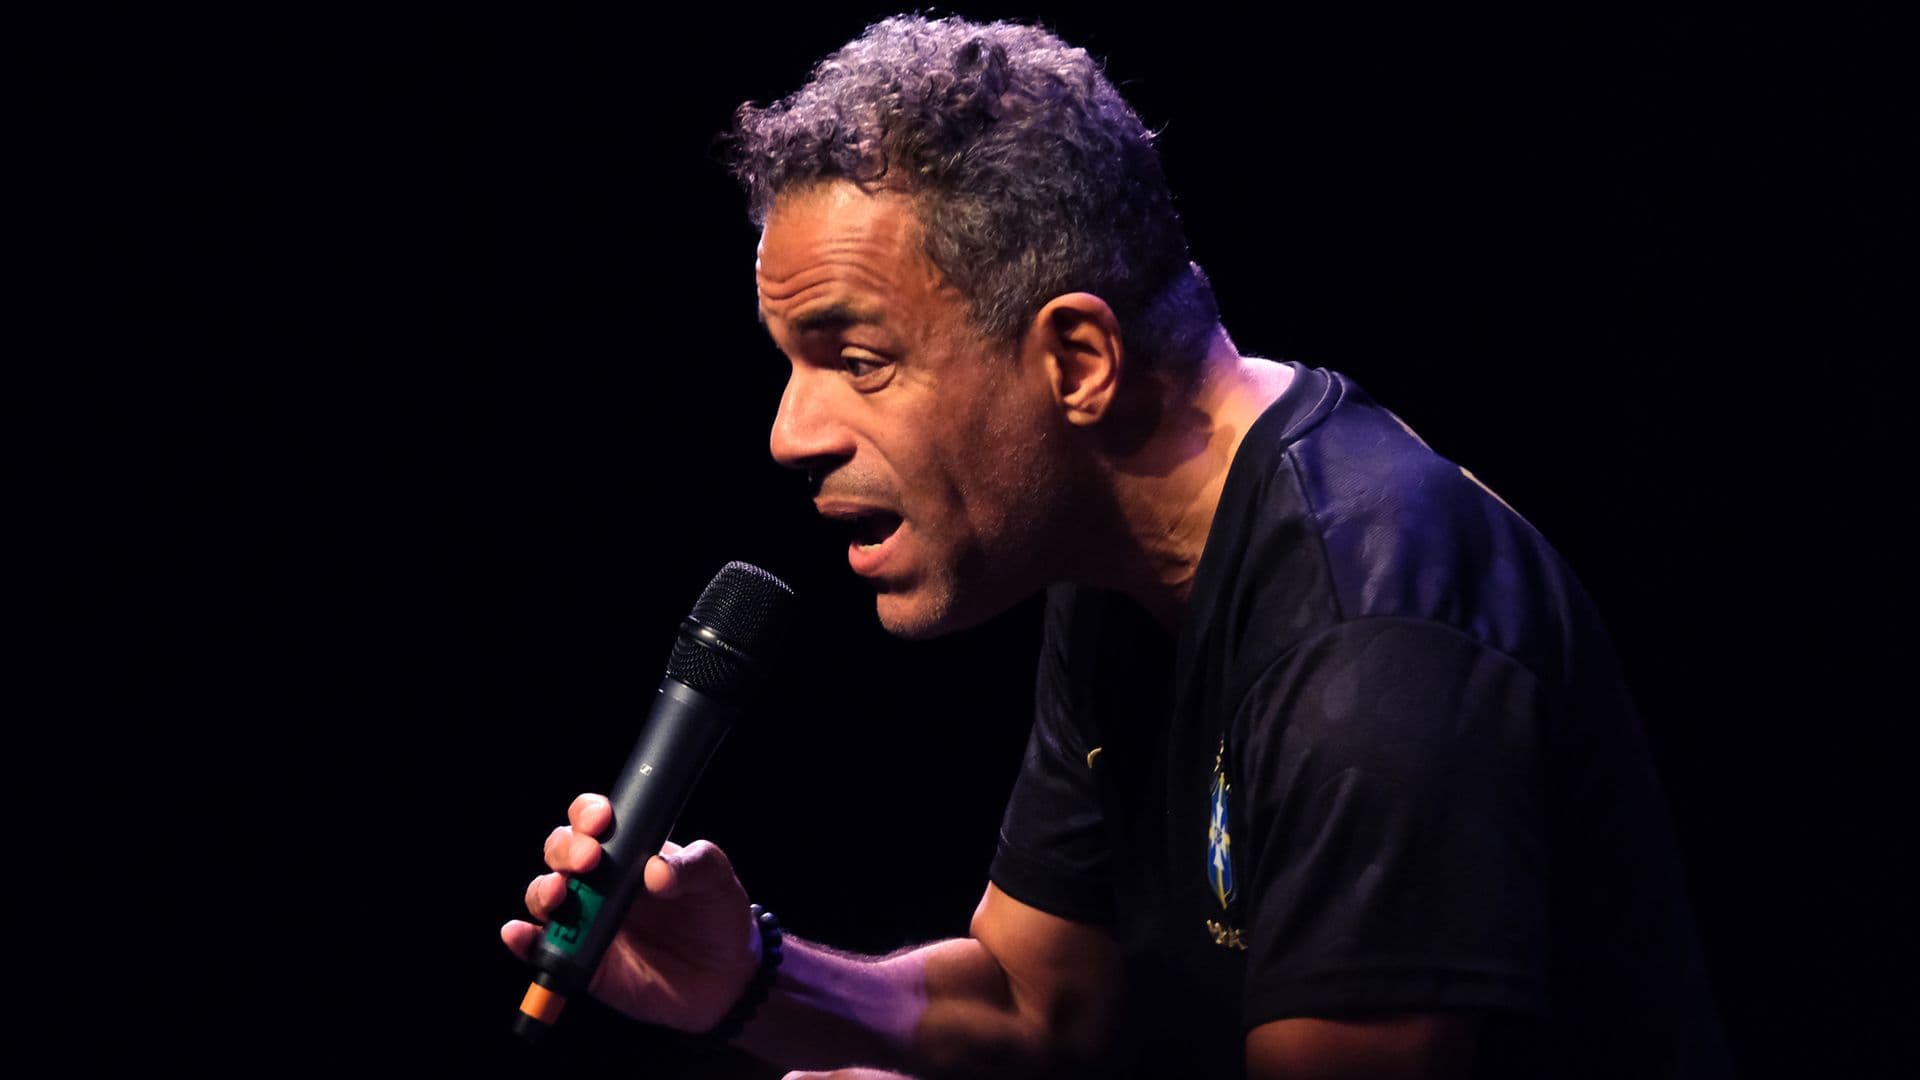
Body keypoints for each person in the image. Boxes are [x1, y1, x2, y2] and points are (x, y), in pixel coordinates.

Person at [504, 15, 1730, 1078]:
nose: (790, 434)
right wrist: (751, 977)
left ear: (1078, 361)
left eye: (859, 361)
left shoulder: (1370, 652)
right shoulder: (1122, 564)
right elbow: (1044, 1007)